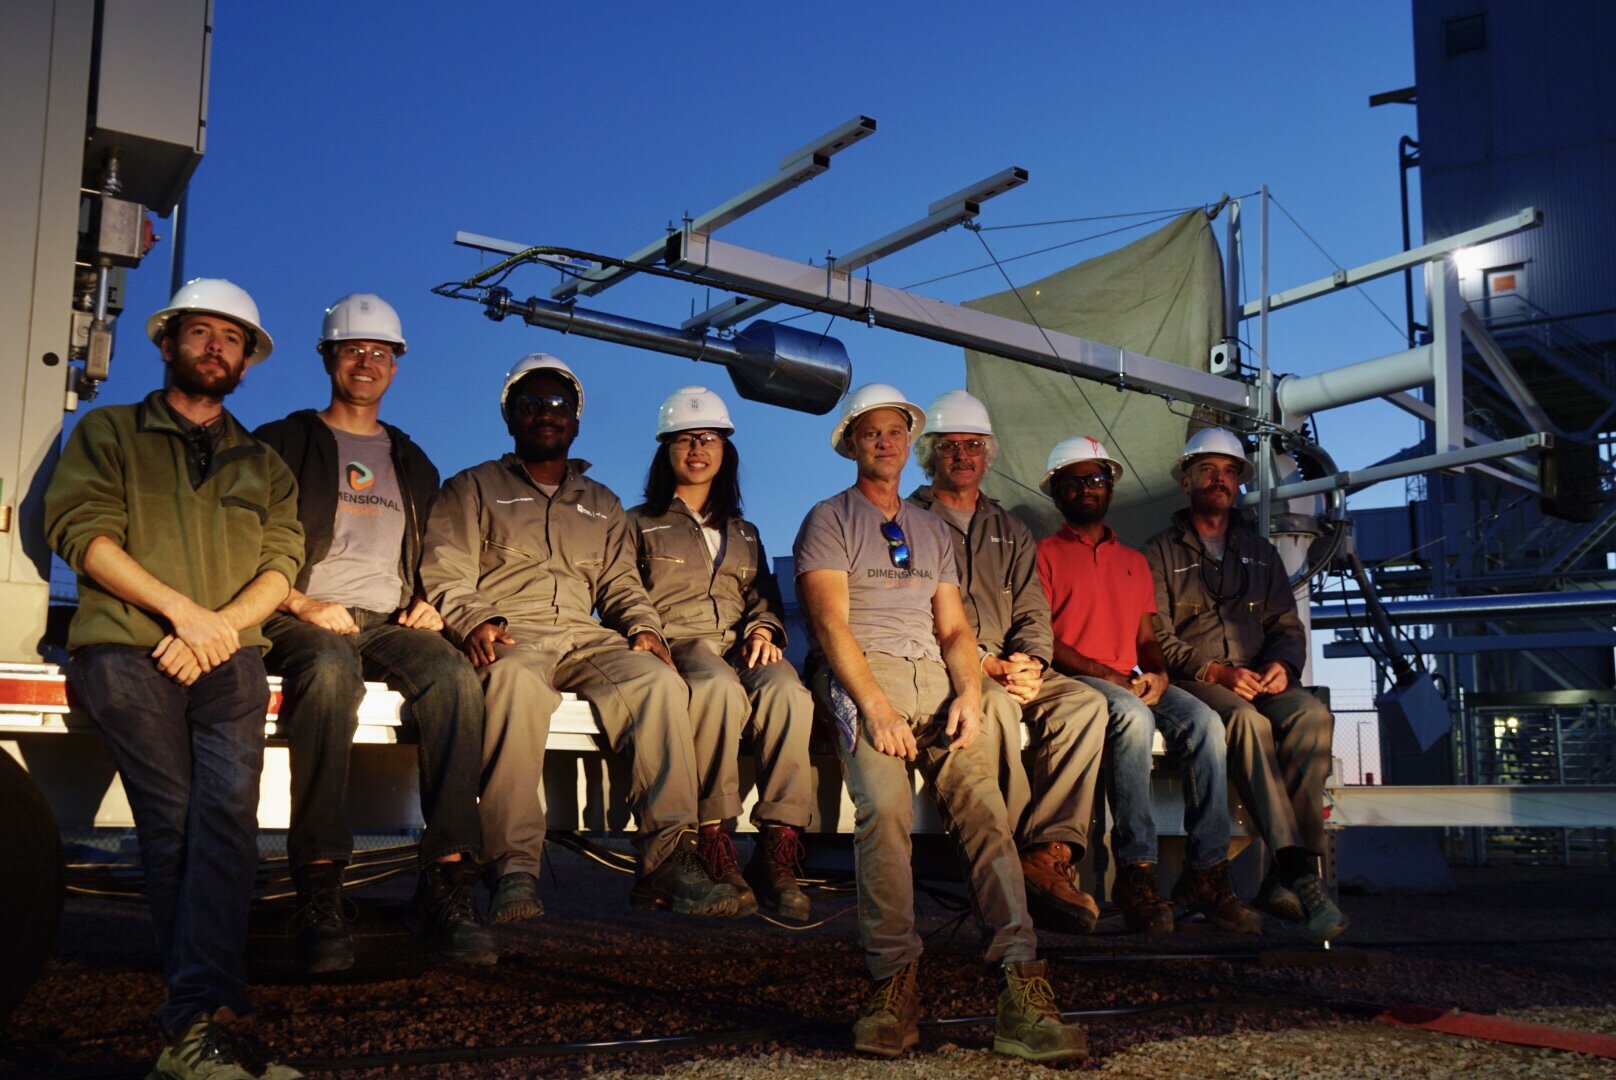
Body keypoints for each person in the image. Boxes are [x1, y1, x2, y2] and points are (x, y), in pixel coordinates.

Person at [45, 278, 305, 1079]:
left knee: (227, 821)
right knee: (176, 817)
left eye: (233, 339)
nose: (216, 347)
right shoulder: (110, 432)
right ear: (168, 345)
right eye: (201, 333)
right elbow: (79, 530)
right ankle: (207, 1025)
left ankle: (201, 1030)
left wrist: (216, 628)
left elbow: (283, 561)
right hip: (122, 648)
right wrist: (181, 615)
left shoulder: (263, 463)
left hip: (227, 654)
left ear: (247, 361)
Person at [794, 383, 1085, 1064]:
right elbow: (830, 623)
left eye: (896, 431)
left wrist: (969, 695)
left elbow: (954, 627)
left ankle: (1020, 990)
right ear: (853, 443)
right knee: (885, 807)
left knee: (986, 811)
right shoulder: (828, 518)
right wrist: (876, 708)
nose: (885, 442)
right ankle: (893, 987)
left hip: (938, 684)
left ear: (906, 441)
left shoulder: (930, 529)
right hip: (868, 678)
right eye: (872, 433)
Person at [418, 353, 741, 924]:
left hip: (583, 636)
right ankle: (515, 868)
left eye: (559, 405)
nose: (547, 413)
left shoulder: (601, 503)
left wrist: (643, 628)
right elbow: (445, 570)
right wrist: (474, 621)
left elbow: (620, 583)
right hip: (512, 632)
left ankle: (667, 861)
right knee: (512, 684)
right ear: (511, 418)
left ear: (576, 422)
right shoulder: (470, 488)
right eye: (532, 404)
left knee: (658, 682)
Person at [254, 293, 494, 972]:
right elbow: (246, 535)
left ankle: (447, 884)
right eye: (354, 349)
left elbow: (435, 553)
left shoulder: (413, 461)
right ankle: (321, 889)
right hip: (301, 611)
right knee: (329, 674)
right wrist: (299, 602)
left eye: (381, 352)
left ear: (396, 366)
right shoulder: (283, 440)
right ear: (329, 357)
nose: (368, 362)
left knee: (452, 676)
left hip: (389, 620)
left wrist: (430, 602)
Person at [1035, 435, 1260, 935]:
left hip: (1132, 680)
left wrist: (1157, 673)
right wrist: (1115, 677)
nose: (1086, 489)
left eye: (1095, 479)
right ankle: (1137, 874)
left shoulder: (1134, 561)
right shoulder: (1042, 555)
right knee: (1134, 718)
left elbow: (1145, 638)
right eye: (1073, 481)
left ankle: (1208, 872)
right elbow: (1045, 640)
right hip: (1076, 682)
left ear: (1110, 486)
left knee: (1205, 722)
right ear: (1056, 493)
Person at [905, 391, 1108, 936]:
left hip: (1014, 665)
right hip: (944, 665)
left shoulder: (1011, 528)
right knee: (991, 708)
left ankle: (1046, 853)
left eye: (973, 445)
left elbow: (1033, 609)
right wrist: (986, 665)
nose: (963, 455)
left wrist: (1034, 661)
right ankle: (1010, 859)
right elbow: (907, 611)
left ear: (987, 454)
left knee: (1085, 704)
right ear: (930, 455)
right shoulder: (906, 521)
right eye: (950, 446)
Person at [1143, 428, 1348, 942]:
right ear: (1186, 479)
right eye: (1208, 470)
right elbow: (1156, 638)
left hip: (1260, 678)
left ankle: (1281, 876)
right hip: (1200, 683)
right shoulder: (1159, 553)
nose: (1220, 480)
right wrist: (1216, 671)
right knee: (1245, 723)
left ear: (1239, 484)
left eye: (1230, 471)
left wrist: (1282, 665)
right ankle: (1303, 874)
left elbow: (1286, 627)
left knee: (1312, 716)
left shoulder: (1260, 553)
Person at [627, 386, 814, 921]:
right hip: (677, 641)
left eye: (709, 438)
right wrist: (646, 634)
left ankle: (778, 847)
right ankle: (713, 836)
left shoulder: (744, 531)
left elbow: (763, 598)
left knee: (786, 692)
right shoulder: (638, 523)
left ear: (725, 450)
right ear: (666, 449)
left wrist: (763, 631)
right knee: (715, 688)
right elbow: (622, 588)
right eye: (685, 439)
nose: (698, 449)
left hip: (738, 640)